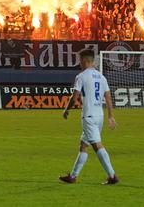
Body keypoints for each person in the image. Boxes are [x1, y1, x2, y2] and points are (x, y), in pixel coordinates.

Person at [59, 49, 119, 185]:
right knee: (83, 145)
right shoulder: (101, 76)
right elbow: (108, 97)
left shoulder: (81, 76)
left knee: (97, 146)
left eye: (80, 60)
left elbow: (74, 97)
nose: (79, 63)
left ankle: (112, 176)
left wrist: (66, 110)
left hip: (89, 116)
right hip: (99, 116)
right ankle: (73, 177)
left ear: (85, 61)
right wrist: (110, 116)